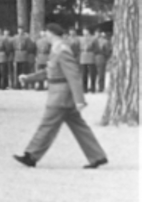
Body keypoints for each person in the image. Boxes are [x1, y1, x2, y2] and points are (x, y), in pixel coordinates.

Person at [14, 24, 108, 170]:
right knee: (79, 127)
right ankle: (97, 156)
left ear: (51, 33)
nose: (44, 36)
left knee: (47, 125)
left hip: (60, 96)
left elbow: (73, 74)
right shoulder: (58, 49)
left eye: (46, 33)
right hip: (62, 95)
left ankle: (31, 155)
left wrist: (80, 100)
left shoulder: (61, 50)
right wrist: (29, 78)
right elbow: (50, 71)